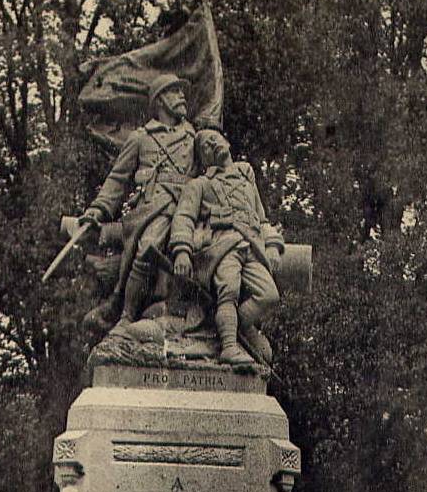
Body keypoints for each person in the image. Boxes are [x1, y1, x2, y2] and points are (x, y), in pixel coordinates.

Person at [80, 73, 196, 330]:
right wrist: (97, 209)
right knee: (148, 246)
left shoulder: (193, 137)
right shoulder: (141, 138)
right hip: (152, 207)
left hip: (187, 208)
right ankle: (125, 315)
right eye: (175, 92)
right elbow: (117, 179)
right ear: (161, 100)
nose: (182, 97)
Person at [169, 128, 283, 367]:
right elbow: (184, 218)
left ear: (227, 141)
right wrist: (182, 250)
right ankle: (229, 346)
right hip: (221, 245)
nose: (212, 143)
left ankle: (233, 329)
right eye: (206, 146)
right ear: (204, 159)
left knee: (269, 295)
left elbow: (261, 220)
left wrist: (272, 246)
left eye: (215, 138)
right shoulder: (199, 184)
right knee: (228, 292)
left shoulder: (247, 183)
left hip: (252, 246)